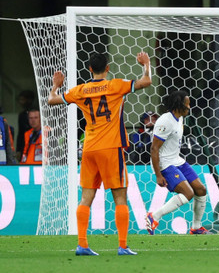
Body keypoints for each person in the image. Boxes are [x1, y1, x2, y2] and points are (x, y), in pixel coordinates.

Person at [48, 51, 152, 256]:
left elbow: (51, 100)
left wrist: (56, 85)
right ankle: (122, 246)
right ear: (107, 68)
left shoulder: (80, 90)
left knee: (86, 197)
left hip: (89, 149)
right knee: (120, 197)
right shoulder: (115, 85)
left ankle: (82, 245)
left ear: (89, 69)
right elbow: (146, 81)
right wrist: (146, 64)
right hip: (111, 148)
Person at [145, 91, 210, 235]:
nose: (189, 107)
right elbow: (154, 148)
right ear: (179, 105)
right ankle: (154, 216)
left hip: (176, 159)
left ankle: (196, 227)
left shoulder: (179, 118)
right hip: (165, 163)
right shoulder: (165, 121)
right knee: (188, 193)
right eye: (187, 104)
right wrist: (158, 175)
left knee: (201, 190)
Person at [16, 90, 35, 156]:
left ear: (29, 100)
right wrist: (18, 150)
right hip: (24, 146)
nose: (21, 102)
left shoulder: (39, 113)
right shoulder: (22, 115)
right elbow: (20, 133)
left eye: (23, 100)